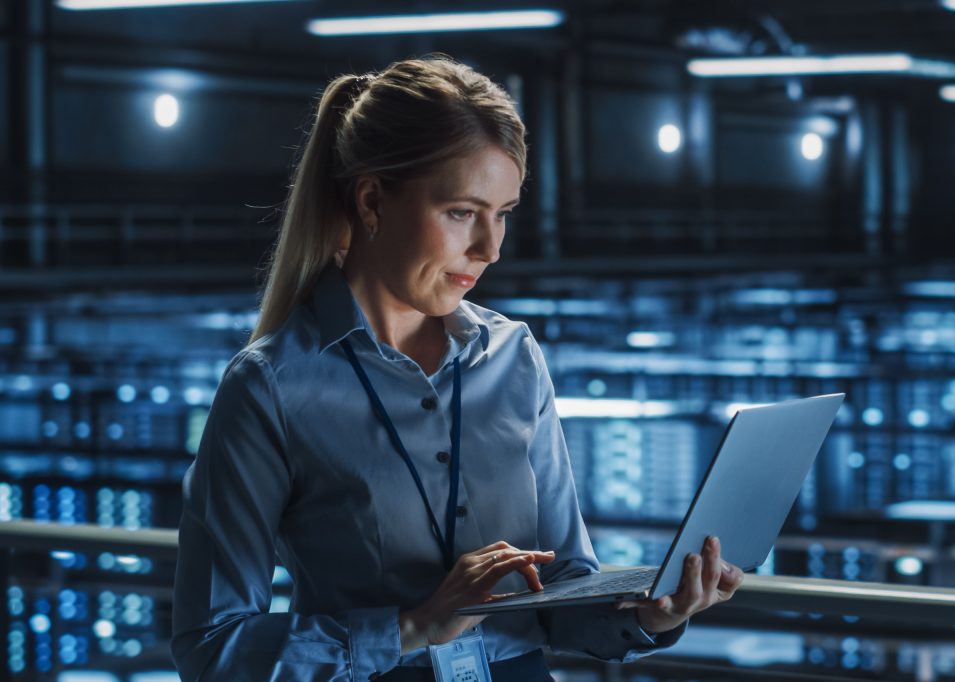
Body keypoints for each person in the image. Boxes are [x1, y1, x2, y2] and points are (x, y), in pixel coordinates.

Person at [170, 56, 744, 681]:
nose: (490, 249)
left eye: (504, 214)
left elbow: (561, 587)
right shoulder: (270, 387)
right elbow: (211, 647)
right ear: (371, 201)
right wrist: (411, 629)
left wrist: (653, 617)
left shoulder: (514, 357)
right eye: (462, 213)